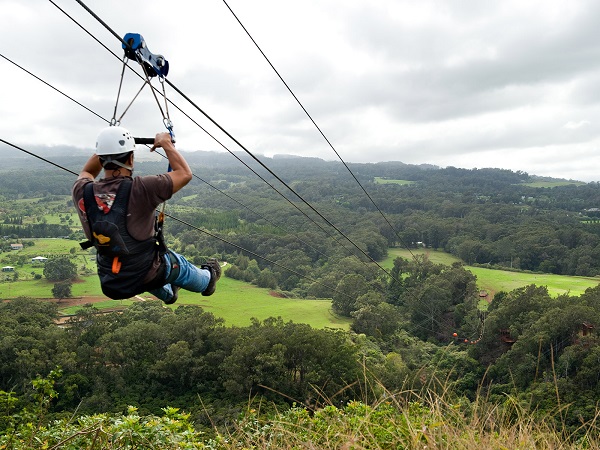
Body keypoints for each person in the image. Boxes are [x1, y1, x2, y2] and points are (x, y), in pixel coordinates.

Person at [72, 126, 220, 304]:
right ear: (131, 158)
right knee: (176, 264)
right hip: (146, 272)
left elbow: (87, 172)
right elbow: (184, 174)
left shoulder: (82, 190)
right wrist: (166, 143)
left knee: (139, 265)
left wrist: (106, 147)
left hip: (111, 280)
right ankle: (208, 280)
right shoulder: (141, 188)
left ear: (101, 158)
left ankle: (169, 294)